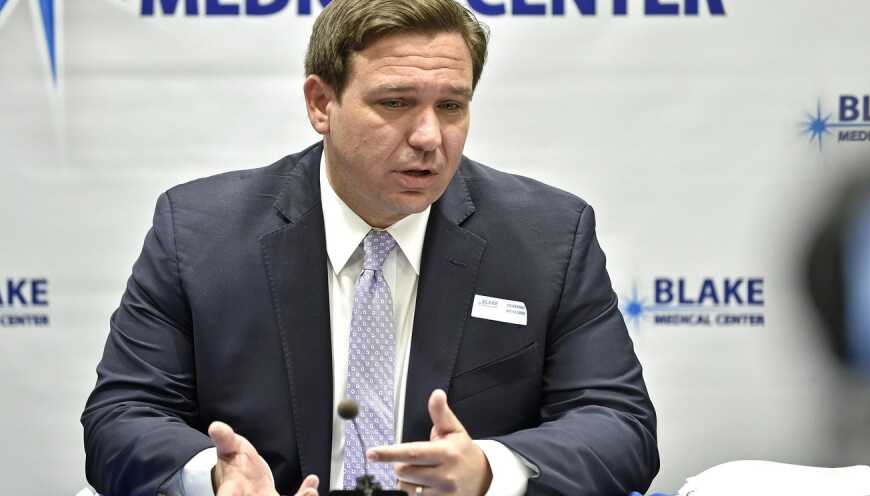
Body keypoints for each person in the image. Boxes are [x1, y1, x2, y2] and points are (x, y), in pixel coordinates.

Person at [81, 0, 659, 494]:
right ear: (321, 104)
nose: (429, 136)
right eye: (395, 103)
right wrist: (214, 477)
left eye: (451, 106)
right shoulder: (200, 231)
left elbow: (618, 423)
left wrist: (489, 471)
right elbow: (122, 416)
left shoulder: (549, 236)